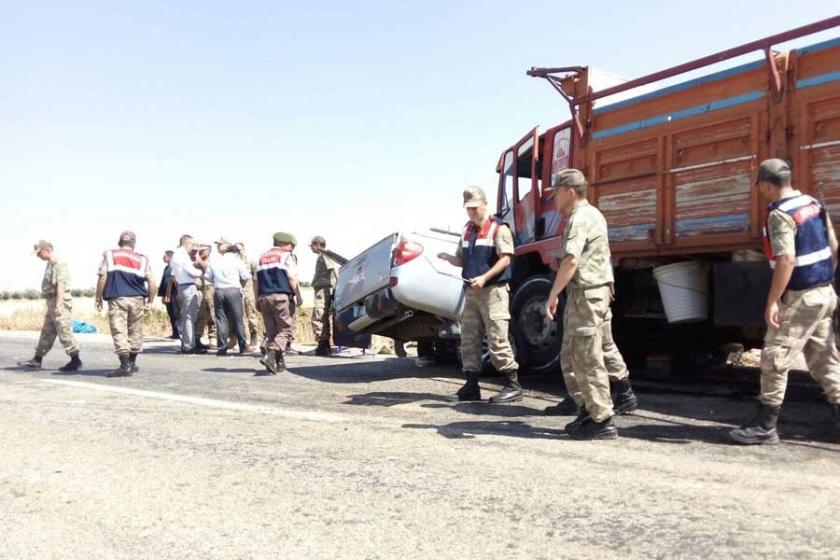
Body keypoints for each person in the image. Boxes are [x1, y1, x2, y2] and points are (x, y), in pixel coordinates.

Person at [730, 159, 840, 444]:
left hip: (801, 297)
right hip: (825, 293)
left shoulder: (780, 214)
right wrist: (823, 279)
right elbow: (834, 248)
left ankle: (765, 425)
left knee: (775, 356)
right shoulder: (814, 204)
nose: (760, 192)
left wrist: (773, 301)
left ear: (767, 184)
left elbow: (786, 259)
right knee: (824, 359)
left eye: (760, 187)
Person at [545, 168, 635, 440]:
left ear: (569, 191)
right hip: (588, 293)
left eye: (556, 194)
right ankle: (588, 410)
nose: (554, 200)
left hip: (587, 294)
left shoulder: (580, 217)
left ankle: (601, 418)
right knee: (575, 353)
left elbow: (572, 260)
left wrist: (552, 295)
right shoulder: (591, 214)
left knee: (587, 355)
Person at [437, 186, 521, 404]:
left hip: (493, 291)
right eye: (468, 209)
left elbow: (506, 259)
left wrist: (484, 278)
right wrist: (448, 258)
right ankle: (471, 386)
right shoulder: (467, 231)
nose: (472, 212)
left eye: (475, 208)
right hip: (472, 292)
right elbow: (462, 259)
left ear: (485, 204)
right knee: (469, 339)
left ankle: (513, 385)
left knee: (497, 340)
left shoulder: (498, 228)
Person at [95, 231, 156, 377]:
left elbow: (103, 276)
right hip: (138, 299)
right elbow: (152, 281)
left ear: (119, 242)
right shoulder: (142, 259)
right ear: (133, 244)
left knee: (119, 331)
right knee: (136, 330)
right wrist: (150, 300)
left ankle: (124, 365)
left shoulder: (110, 255)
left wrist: (98, 297)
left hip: (118, 298)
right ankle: (132, 363)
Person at [19, 240, 82, 371]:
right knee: (47, 332)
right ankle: (37, 359)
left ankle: (75, 360)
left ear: (47, 250)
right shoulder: (51, 264)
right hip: (52, 302)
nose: (38, 256)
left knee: (64, 331)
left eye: (39, 253)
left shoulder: (59, 263)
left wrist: (59, 305)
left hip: (59, 302)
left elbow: (61, 285)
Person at [254, 232, 304, 375]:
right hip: (281, 297)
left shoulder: (262, 258)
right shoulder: (286, 256)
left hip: (264, 297)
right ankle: (271, 355)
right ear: (285, 244)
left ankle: (278, 363)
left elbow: (256, 281)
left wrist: (257, 298)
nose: (292, 249)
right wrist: (299, 296)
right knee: (285, 330)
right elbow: (292, 278)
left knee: (272, 332)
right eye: (292, 246)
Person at [206, 238, 251, 355]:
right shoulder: (236, 260)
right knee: (237, 319)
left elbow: (207, 276)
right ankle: (242, 345)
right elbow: (245, 276)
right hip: (233, 290)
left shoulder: (215, 261)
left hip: (219, 290)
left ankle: (222, 347)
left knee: (221, 320)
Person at [170, 234, 208, 353]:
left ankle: (186, 343)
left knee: (185, 317)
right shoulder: (182, 255)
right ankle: (189, 345)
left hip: (181, 286)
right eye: (192, 244)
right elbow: (191, 271)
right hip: (188, 286)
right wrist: (201, 272)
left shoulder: (176, 255)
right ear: (187, 243)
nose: (193, 246)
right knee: (189, 318)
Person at [310, 235, 341, 356]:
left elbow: (335, 270)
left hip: (324, 290)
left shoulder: (324, 255)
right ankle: (324, 344)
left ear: (317, 245)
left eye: (312, 245)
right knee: (321, 316)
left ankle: (323, 344)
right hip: (323, 289)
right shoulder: (323, 256)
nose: (311, 248)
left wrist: (339, 285)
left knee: (319, 315)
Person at [235, 242, 261, 347]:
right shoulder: (233, 261)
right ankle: (241, 338)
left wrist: (256, 292)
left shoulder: (250, 260)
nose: (238, 252)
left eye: (240, 249)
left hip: (248, 289)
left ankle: (254, 335)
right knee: (238, 315)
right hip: (236, 288)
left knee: (251, 314)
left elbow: (255, 276)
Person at [194, 244, 217, 350]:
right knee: (199, 313)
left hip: (209, 288)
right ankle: (197, 336)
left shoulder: (212, 261)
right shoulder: (195, 261)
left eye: (203, 251)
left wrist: (200, 262)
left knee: (211, 312)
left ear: (209, 251)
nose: (201, 253)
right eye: (200, 251)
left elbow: (207, 268)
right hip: (199, 289)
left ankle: (213, 336)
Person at [158, 250, 180, 339]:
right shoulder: (166, 268)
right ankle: (175, 333)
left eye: (165, 256)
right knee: (171, 314)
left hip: (174, 294)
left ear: (170, 257)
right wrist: (163, 295)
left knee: (176, 314)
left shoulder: (175, 268)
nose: (163, 258)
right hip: (167, 295)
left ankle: (179, 332)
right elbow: (164, 282)